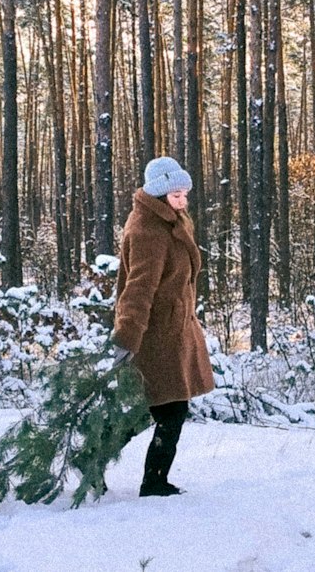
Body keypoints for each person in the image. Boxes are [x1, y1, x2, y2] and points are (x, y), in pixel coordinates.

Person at [111, 156, 214, 497]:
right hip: (155, 336)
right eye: (176, 195)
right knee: (169, 410)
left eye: (185, 194)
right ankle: (153, 483)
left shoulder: (172, 222)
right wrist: (127, 337)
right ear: (159, 195)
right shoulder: (148, 231)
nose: (184, 200)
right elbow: (137, 289)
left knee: (157, 410)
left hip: (174, 331)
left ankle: (116, 465)